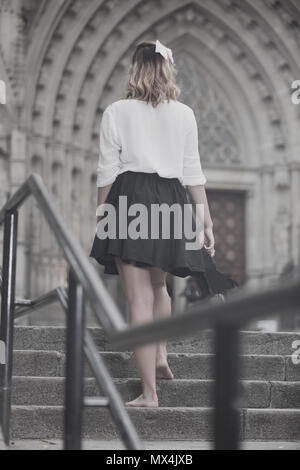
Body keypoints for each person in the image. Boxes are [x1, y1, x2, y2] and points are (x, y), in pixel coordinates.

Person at [89, 40, 237, 408]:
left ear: (134, 70)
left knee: (138, 296)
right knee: (159, 287)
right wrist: (206, 221)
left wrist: (102, 215)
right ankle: (160, 356)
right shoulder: (184, 113)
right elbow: (193, 172)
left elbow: (107, 170)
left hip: (131, 196)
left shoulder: (116, 111)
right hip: (172, 197)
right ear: (167, 69)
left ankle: (150, 393)